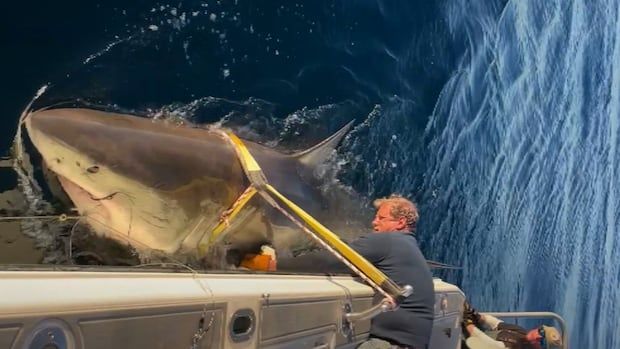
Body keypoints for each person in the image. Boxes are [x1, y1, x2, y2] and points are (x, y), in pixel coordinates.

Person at [276, 194, 435, 349]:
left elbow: (334, 259)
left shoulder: (388, 241)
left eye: (381, 218)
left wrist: (276, 265)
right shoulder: (410, 248)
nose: (374, 222)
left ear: (400, 223)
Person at [462, 301, 563, 349]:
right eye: (541, 332)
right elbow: (497, 324)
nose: (537, 336)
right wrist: (478, 316)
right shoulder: (522, 333)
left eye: (542, 342)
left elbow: (489, 346)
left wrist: (469, 324)